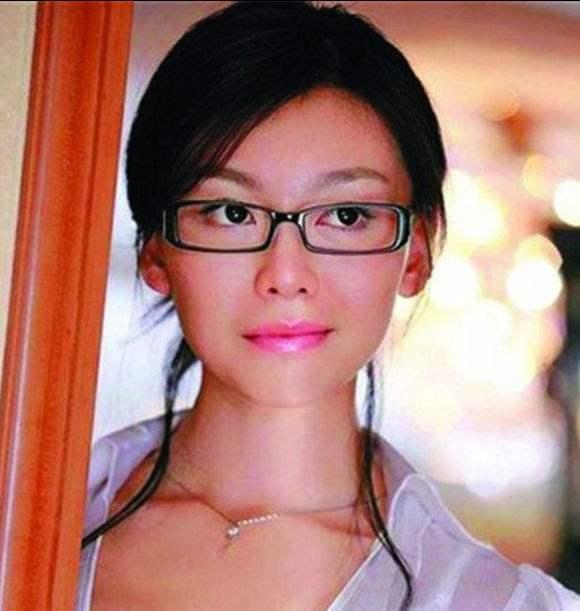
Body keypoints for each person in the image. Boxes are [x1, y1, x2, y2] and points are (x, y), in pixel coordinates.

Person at [76, 2, 580, 609]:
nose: (286, 276)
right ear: (155, 251)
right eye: (232, 213)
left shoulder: (491, 601)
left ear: (417, 254)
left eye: (345, 215)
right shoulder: (39, 513)